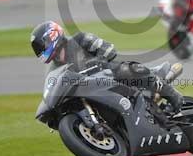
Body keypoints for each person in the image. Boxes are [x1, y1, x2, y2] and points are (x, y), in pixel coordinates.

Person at [30, 21, 183, 111]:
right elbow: (54, 87)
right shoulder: (54, 69)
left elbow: (108, 49)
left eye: (41, 46)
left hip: (109, 74)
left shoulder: (78, 39)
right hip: (91, 90)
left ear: (52, 36)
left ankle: (172, 94)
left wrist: (98, 61)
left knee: (128, 69)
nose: (41, 51)